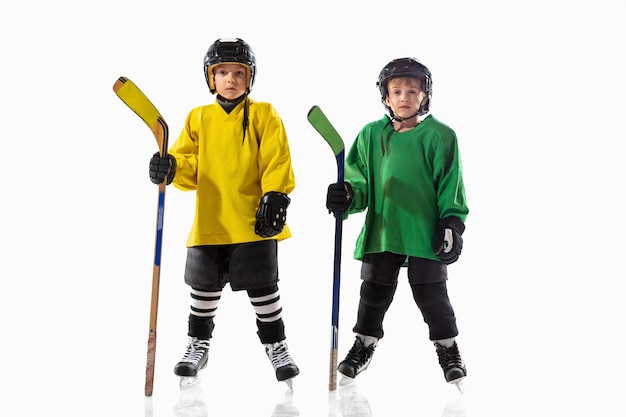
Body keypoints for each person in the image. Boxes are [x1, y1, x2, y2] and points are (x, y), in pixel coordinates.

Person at [148, 38, 299, 386]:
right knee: (203, 291)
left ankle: (277, 346)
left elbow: (277, 157)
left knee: (264, 290)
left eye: (238, 73)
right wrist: (170, 168)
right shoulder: (198, 117)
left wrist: (275, 194)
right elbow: (190, 164)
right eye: (222, 72)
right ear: (210, 78)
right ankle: (197, 344)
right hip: (210, 222)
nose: (230, 79)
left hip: (253, 221)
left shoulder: (264, 113)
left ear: (250, 78)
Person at [325, 57, 469, 386]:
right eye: (397, 91)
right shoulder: (371, 135)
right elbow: (359, 181)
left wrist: (451, 223)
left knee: (432, 295)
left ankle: (448, 349)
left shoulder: (441, 136)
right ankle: (363, 344)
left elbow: (451, 185)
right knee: (373, 292)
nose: (404, 97)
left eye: (412, 91)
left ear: (425, 97)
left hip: (424, 232)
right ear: (386, 97)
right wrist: (346, 194)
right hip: (384, 230)